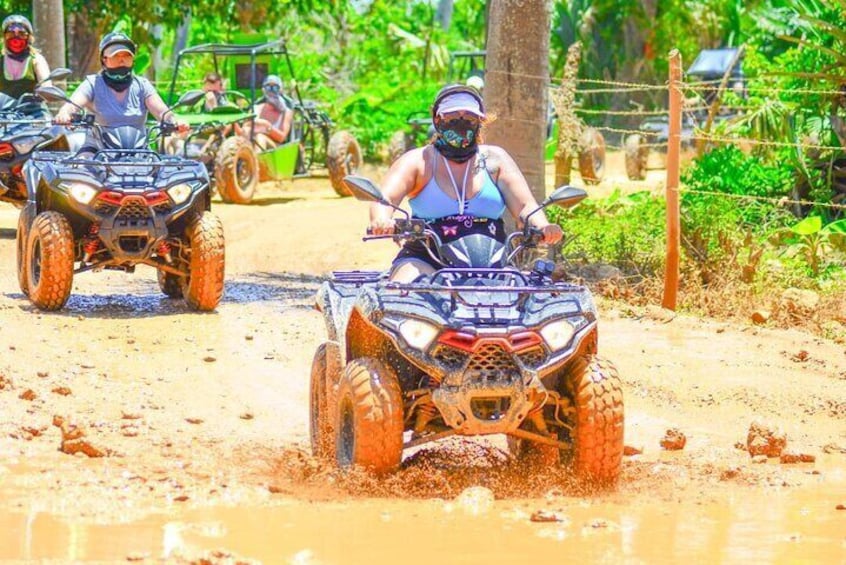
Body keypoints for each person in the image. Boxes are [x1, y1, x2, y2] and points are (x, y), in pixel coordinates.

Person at [370, 84, 563, 282]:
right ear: (437, 120)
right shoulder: (418, 161)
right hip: (426, 258)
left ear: (480, 121)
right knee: (405, 293)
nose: (461, 123)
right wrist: (382, 220)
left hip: (493, 261)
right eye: (452, 117)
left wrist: (543, 226)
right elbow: (384, 199)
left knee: (526, 298)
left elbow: (525, 206)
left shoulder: (495, 160)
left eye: (469, 118)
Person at [54, 32, 187, 143]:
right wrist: (64, 113)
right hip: (97, 151)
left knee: (163, 172)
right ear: (104, 59)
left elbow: (162, 112)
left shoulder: (142, 85)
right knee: (80, 169)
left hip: (138, 153)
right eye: (116, 55)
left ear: (133, 60)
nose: (121, 60)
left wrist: (175, 121)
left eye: (126, 55)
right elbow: (72, 105)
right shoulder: (92, 83)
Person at [0, 15, 51, 99]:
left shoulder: (36, 60)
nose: (16, 38)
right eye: (11, 34)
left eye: (22, 34)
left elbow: (46, 86)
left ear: (29, 38)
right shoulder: (1, 61)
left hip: (33, 110)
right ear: (4, 37)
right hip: (3, 110)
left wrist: (46, 91)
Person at [245, 74, 292, 150]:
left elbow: (282, 138)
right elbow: (245, 127)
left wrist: (267, 126)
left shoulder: (285, 112)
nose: (271, 90)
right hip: (251, 142)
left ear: (280, 90)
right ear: (263, 90)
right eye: (268, 87)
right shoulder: (256, 108)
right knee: (246, 132)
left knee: (260, 137)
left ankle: (256, 160)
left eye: (275, 87)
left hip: (275, 148)